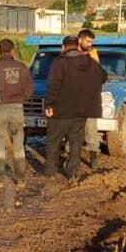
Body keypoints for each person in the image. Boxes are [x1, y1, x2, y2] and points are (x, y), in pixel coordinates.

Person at [44, 35, 106, 182]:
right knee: (76, 143)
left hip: (60, 111)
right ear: (77, 46)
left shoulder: (59, 63)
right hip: (82, 112)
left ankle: (50, 171)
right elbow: (103, 77)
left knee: (54, 141)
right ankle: (72, 173)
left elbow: (53, 85)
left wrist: (49, 105)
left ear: (63, 47)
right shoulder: (91, 62)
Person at [0, 38, 33, 205]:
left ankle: (0, 177)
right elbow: (29, 89)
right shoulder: (22, 67)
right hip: (17, 108)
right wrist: (22, 99)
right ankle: (21, 178)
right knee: (18, 144)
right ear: (13, 50)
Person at [77, 28, 103, 171]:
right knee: (73, 133)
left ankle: (94, 159)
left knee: (92, 132)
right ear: (80, 39)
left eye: (91, 42)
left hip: (90, 101)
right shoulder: (71, 54)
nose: (89, 44)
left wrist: (93, 58)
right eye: (88, 41)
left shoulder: (93, 54)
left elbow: (99, 74)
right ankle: (71, 159)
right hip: (74, 102)